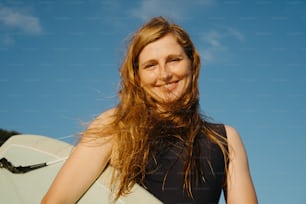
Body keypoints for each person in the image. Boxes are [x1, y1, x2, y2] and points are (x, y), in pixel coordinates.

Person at [41, 16, 257, 204]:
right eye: (151, 65)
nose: (164, 74)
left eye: (174, 60)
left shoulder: (225, 139)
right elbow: (55, 201)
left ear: (192, 64)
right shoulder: (115, 127)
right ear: (138, 77)